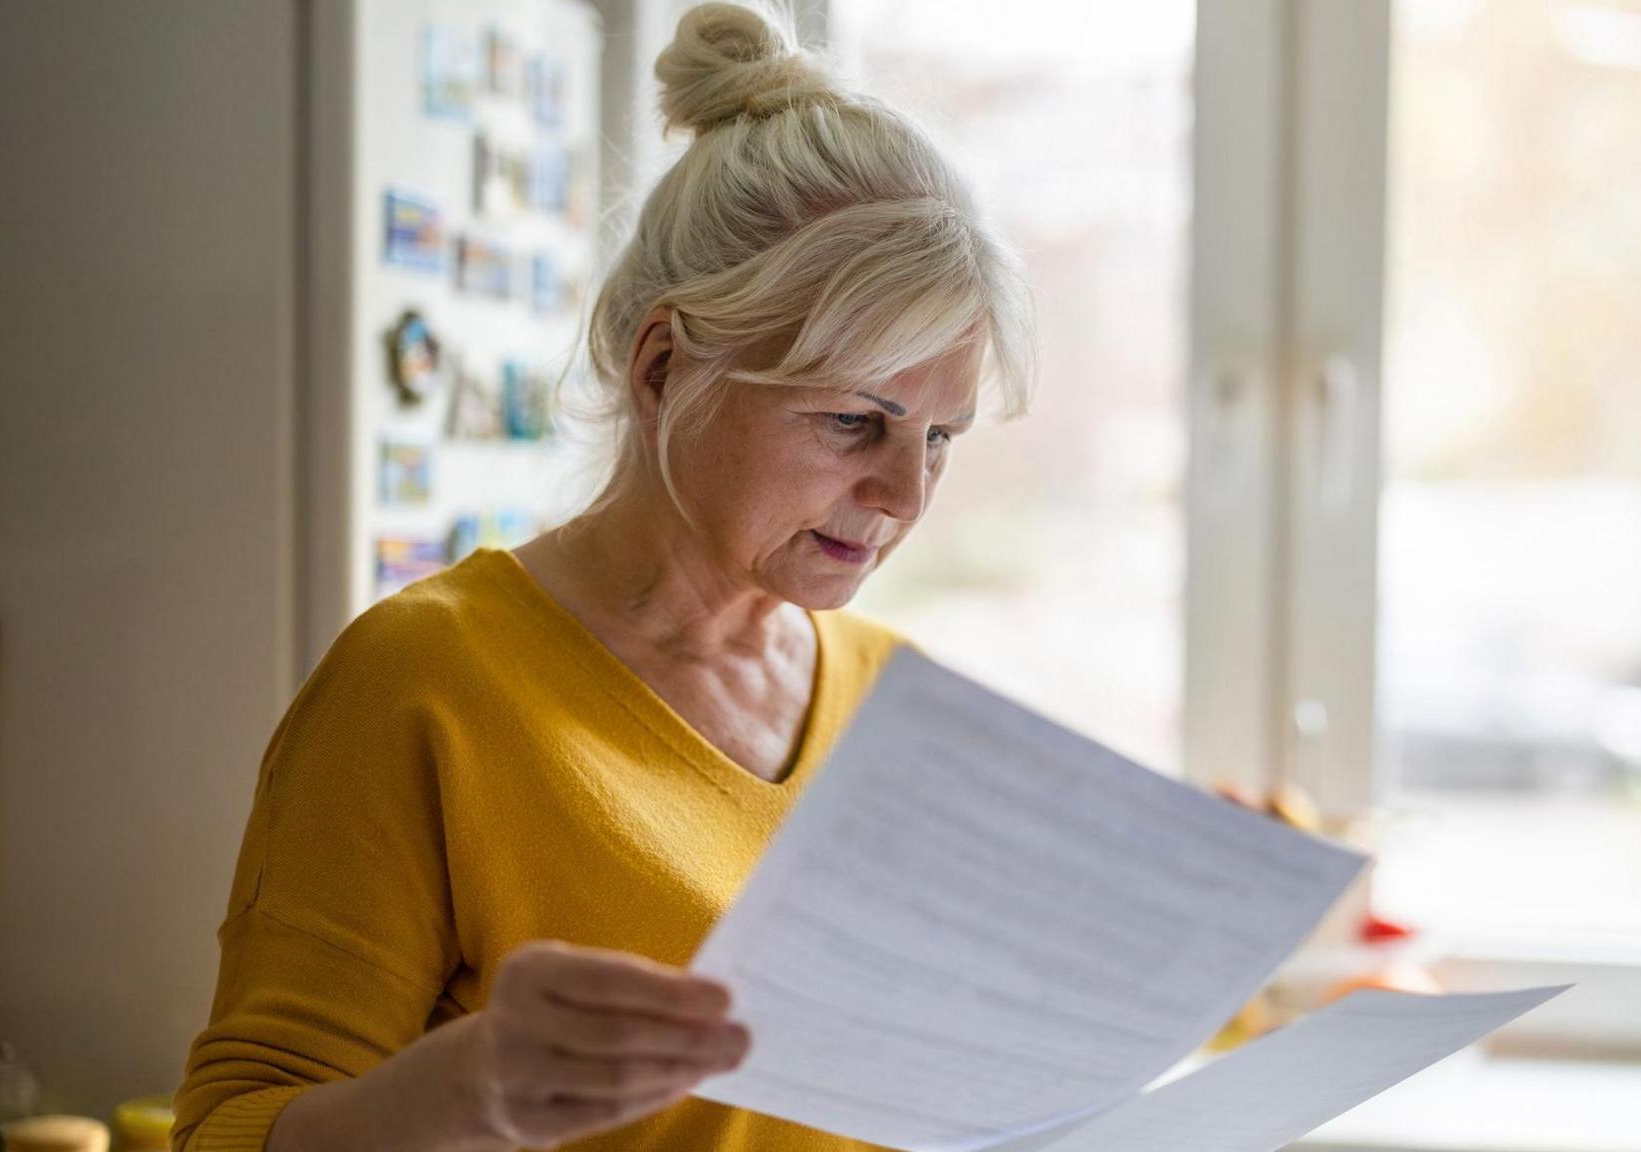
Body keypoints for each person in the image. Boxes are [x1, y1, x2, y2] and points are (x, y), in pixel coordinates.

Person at [170, 4, 1036, 1149]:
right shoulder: (426, 684)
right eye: (851, 421)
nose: (904, 496)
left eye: (937, 437)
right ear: (664, 367)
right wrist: (459, 1093)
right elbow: (228, 1129)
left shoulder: (901, 703)